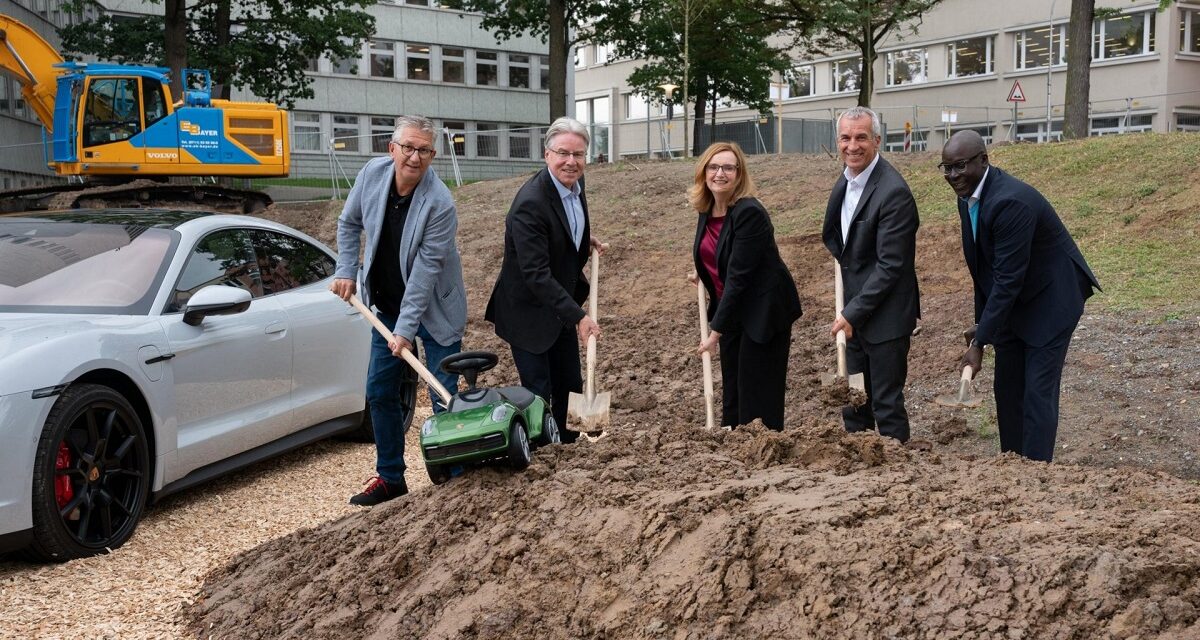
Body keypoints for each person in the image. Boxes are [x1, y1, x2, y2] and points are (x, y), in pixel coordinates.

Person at [331, 115, 467, 505]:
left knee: (443, 393)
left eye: (423, 149)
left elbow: (425, 275)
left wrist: (406, 330)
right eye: (407, 147)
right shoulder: (372, 175)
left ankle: (454, 478)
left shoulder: (439, 203)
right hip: (387, 305)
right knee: (379, 390)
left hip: (436, 309)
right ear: (391, 149)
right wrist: (346, 270)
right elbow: (348, 223)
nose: (414, 156)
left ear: (433, 155)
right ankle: (390, 477)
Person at [940, 131, 1099, 462]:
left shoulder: (1010, 201)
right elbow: (983, 268)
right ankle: (1012, 465)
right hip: (1015, 298)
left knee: (1037, 391)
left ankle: (1036, 474)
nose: (953, 176)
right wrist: (983, 324)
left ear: (983, 160)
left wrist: (980, 342)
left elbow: (1008, 278)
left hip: (1051, 298)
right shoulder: (967, 195)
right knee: (1008, 387)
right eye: (947, 168)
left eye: (960, 166)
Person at [485, 117, 605, 443]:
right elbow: (536, 274)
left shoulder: (573, 187)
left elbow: (562, 227)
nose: (571, 161)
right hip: (528, 312)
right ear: (547, 154)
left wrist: (582, 240)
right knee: (538, 392)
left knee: (570, 381)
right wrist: (579, 317)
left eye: (578, 154)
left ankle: (575, 444)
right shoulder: (530, 204)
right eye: (563, 153)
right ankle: (542, 458)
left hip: (558, 304)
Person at [821, 106, 920, 443]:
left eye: (861, 137)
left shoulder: (893, 192)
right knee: (854, 401)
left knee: (886, 403)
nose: (853, 145)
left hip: (886, 319)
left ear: (877, 140)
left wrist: (852, 312)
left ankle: (898, 476)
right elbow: (835, 236)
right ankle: (859, 475)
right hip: (854, 315)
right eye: (846, 138)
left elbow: (891, 265)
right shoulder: (846, 180)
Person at [691, 142, 801, 430]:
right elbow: (720, 252)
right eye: (713, 167)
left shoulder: (748, 212)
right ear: (704, 172)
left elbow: (740, 275)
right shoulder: (709, 209)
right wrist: (704, 272)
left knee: (756, 391)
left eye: (728, 167)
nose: (720, 174)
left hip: (763, 312)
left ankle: (764, 455)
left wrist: (715, 332)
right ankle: (734, 454)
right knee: (734, 390)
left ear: (739, 174)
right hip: (735, 311)